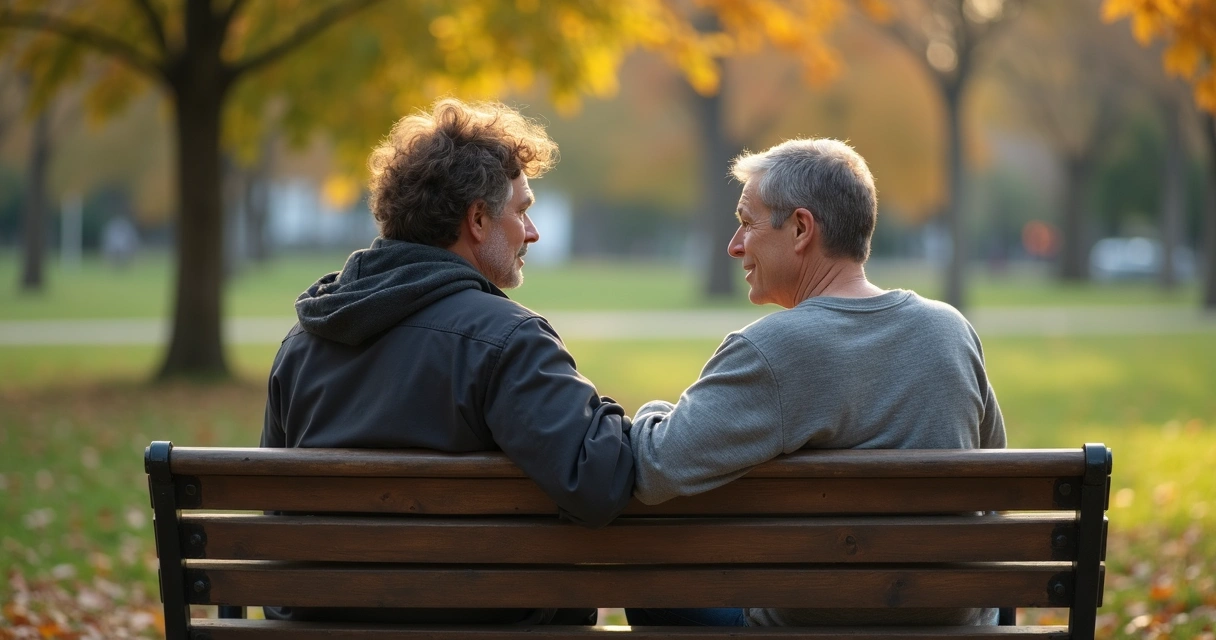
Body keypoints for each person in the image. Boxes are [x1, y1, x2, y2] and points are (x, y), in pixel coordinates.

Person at [260, 98, 634, 625]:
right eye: (522, 210)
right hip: (482, 625)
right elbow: (601, 483)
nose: (532, 232)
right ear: (477, 218)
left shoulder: (302, 343)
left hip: (320, 623)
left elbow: (273, 515)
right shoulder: (510, 341)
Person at [626, 138, 1006, 628]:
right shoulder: (950, 329)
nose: (734, 245)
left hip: (813, 627)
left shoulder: (772, 349)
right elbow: (997, 475)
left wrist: (654, 411)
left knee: (649, 586)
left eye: (746, 222)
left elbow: (656, 466)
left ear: (801, 228)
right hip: (954, 624)